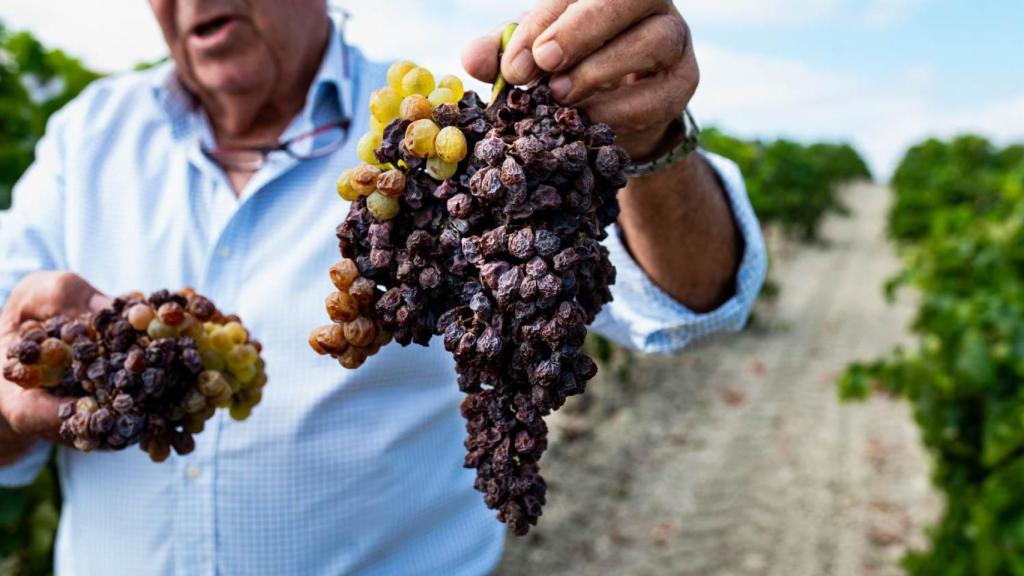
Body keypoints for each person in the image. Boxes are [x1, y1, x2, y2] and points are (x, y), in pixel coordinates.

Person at [0, 0, 766, 574]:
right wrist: (22, 388)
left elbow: (689, 302)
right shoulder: (83, 137)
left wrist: (648, 145)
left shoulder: (444, 130)